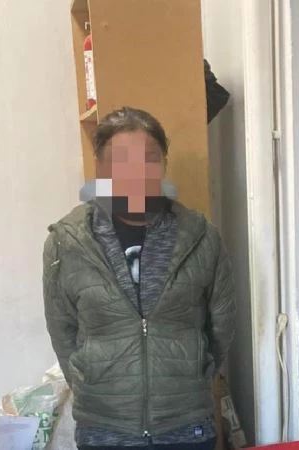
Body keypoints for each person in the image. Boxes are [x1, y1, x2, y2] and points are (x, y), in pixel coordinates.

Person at [43, 106, 236, 450]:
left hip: (187, 428)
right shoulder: (66, 243)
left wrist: (194, 376)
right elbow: (63, 330)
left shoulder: (202, 237)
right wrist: (91, 383)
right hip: (105, 431)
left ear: (163, 164)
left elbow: (221, 325)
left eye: (149, 158)